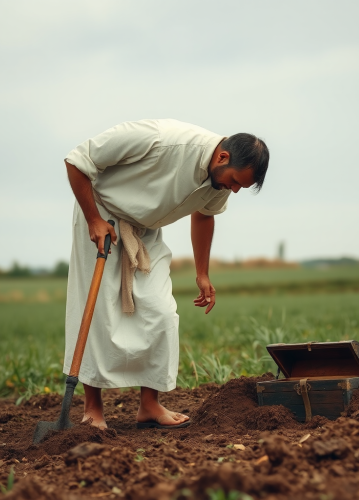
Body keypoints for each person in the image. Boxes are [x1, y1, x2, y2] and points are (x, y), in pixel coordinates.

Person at [64, 119, 269, 429]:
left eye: (241, 186)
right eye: (236, 181)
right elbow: (79, 160)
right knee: (98, 313)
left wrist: (202, 273)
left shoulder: (219, 181)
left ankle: (149, 405)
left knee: (162, 313)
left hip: (145, 232)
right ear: (223, 157)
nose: (235, 190)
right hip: (102, 216)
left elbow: (204, 216)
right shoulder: (160, 139)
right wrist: (93, 219)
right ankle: (93, 409)